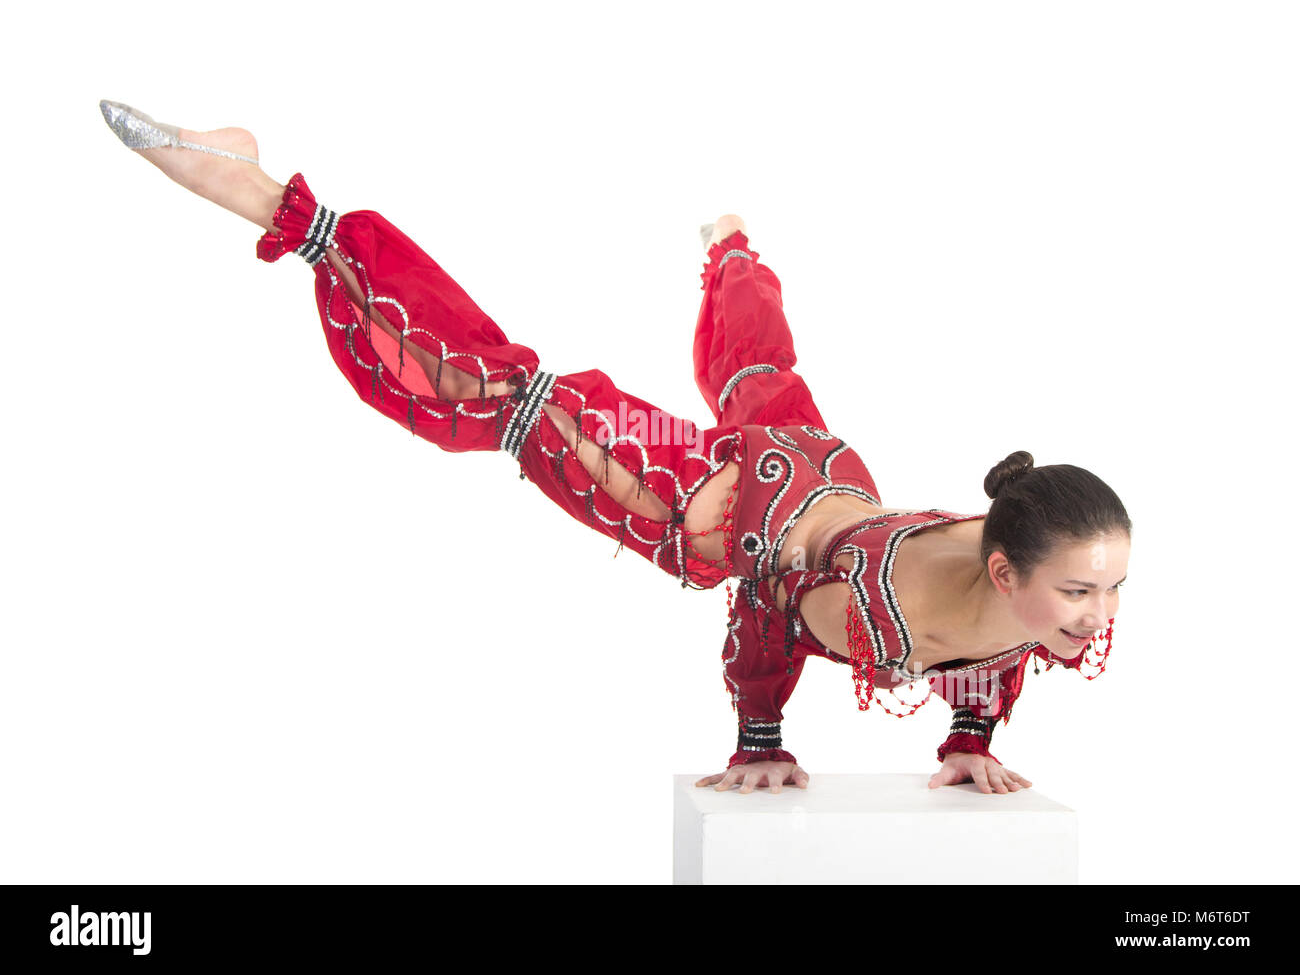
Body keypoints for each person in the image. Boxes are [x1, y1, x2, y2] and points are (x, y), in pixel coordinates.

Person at [99, 100, 1133, 798]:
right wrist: (761, 740)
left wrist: (965, 740)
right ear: (1004, 565)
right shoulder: (882, 600)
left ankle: (728, 245)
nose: (1096, 616)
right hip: (712, 505)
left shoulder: (1026, 586)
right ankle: (283, 203)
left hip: (821, 463)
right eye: (1082, 593)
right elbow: (765, 609)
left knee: (755, 374)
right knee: (499, 396)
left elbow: (998, 652)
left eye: (1105, 590)